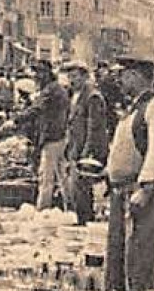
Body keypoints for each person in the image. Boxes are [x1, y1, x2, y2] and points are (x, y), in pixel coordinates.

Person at [103, 56, 154, 291]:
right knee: (123, 252)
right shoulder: (134, 107)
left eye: (123, 74)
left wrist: (146, 188)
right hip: (124, 190)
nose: (120, 80)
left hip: (145, 191)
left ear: (136, 75)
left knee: (144, 253)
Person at [62, 60, 110, 224]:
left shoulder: (93, 97)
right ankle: (82, 218)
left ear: (85, 77)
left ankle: (85, 220)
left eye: (74, 76)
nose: (71, 80)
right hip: (76, 148)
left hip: (86, 151)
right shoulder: (75, 95)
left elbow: (94, 128)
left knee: (82, 187)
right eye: (69, 77)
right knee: (76, 188)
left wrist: (86, 153)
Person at [31, 64, 70, 212]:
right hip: (59, 135)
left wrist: (15, 120)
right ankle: (70, 206)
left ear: (47, 73)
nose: (36, 77)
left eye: (39, 73)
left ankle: (42, 208)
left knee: (46, 175)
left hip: (52, 136)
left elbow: (37, 108)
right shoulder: (57, 88)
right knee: (62, 176)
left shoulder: (50, 90)